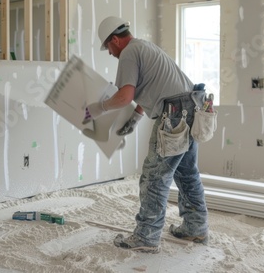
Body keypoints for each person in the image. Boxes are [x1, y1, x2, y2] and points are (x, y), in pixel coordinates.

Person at [83, 16, 209, 253]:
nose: (109, 53)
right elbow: (152, 87)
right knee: (187, 174)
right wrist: (136, 117)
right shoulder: (145, 47)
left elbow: (124, 96)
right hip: (192, 108)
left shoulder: (129, 53)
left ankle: (146, 236)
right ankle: (196, 227)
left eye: (108, 47)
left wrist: (98, 108)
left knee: (154, 178)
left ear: (116, 40)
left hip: (174, 114)